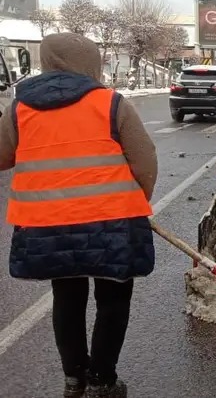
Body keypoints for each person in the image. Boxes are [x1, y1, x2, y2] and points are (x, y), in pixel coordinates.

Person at [0, 33, 158, 397]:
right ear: (89, 63)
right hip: (113, 221)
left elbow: (3, 156)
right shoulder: (111, 104)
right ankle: (103, 379)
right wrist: (137, 201)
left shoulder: (19, 107)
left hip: (48, 225)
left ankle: (74, 378)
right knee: (113, 300)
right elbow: (144, 160)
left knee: (67, 298)